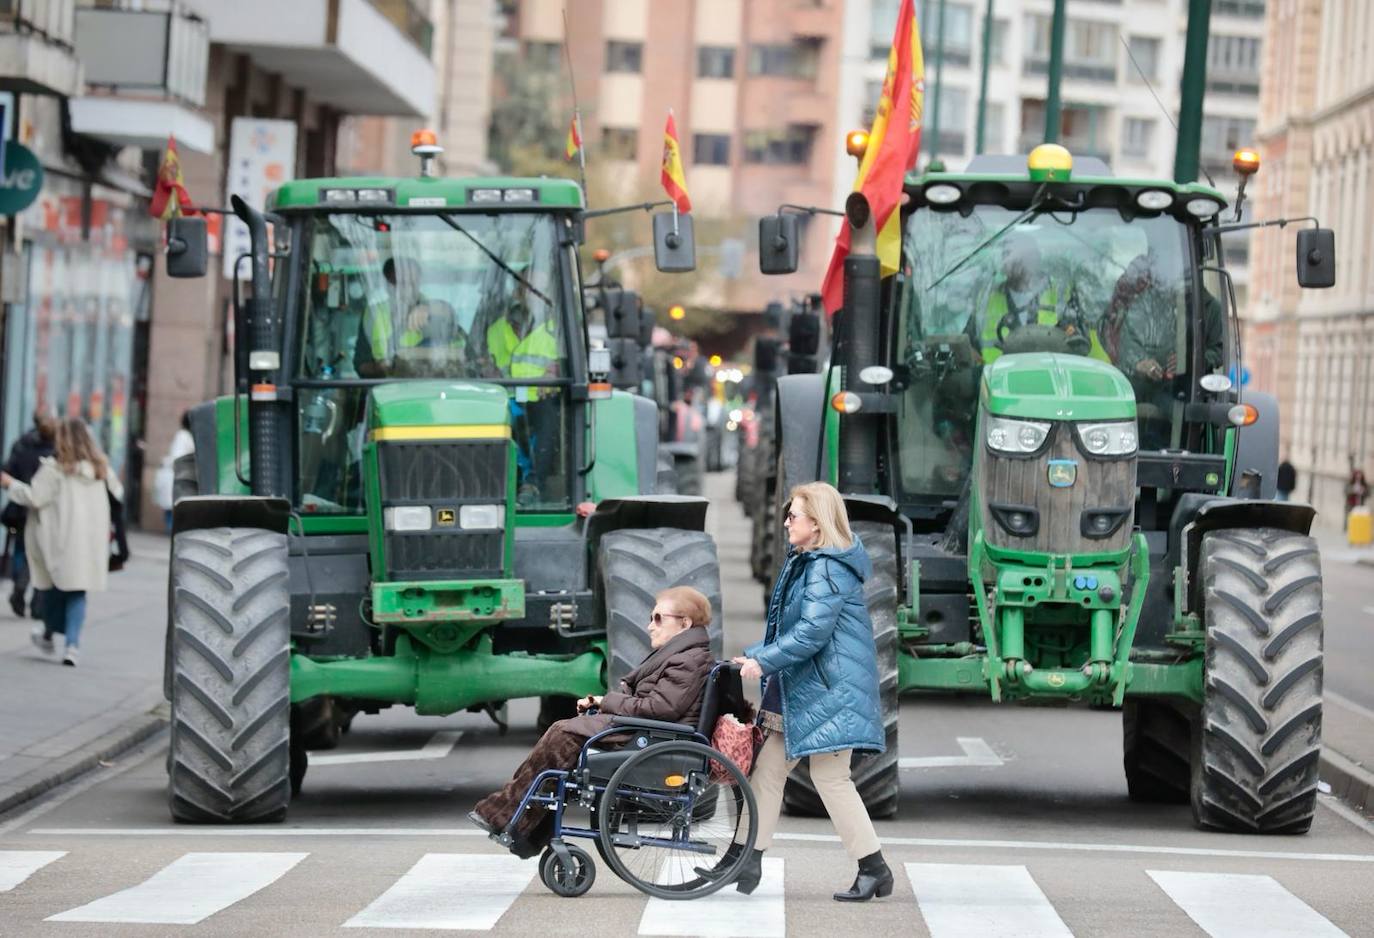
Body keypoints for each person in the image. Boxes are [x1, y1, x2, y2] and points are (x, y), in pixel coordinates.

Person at [729, 481, 891, 902]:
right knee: (768, 771)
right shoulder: (809, 561)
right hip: (809, 689)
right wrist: (751, 655)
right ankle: (745, 860)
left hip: (829, 692)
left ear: (816, 525)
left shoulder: (826, 567)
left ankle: (874, 868)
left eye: (793, 516)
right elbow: (792, 630)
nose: (785, 522)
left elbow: (812, 633)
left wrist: (762, 661)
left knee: (830, 777)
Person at [468, 585, 714, 852]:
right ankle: (520, 825)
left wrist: (604, 701)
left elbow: (660, 707)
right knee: (561, 736)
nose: (650, 626)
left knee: (563, 734)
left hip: (650, 735)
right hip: (644, 730)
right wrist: (601, 702)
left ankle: (510, 818)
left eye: (658, 618)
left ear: (685, 623)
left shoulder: (687, 660)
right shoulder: (684, 656)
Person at [0, 418, 122, 667]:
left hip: (59, 540)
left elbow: (35, 497)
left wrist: (9, 483)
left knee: (55, 588)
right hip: (89, 541)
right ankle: (71, 646)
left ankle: (48, 632)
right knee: (77, 592)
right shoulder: (101, 469)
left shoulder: (55, 469)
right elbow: (117, 494)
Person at [2, 410, 57, 618]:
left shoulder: (22, 445)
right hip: (44, 511)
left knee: (22, 551)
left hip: (20, 508)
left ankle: (19, 586)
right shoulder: (56, 452)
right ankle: (36, 601)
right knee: (41, 557)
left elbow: (8, 470)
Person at [153, 411, 196, 531]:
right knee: (173, 509)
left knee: (172, 509)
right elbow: (177, 456)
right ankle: (172, 532)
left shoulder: (185, 436)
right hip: (177, 475)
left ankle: (172, 531)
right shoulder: (183, 436)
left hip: (177, 475)